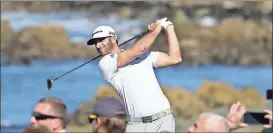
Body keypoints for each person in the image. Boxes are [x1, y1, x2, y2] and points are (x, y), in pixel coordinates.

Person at [87, 17, 181, 132]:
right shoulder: (105, 63)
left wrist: (168, 26)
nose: (98, 45)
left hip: (162, 121)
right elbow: (140, 48)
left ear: (113, 39)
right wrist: (156, 29)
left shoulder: (143, 56)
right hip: (136, 125)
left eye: (101, 40)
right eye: (95, 42)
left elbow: (175, 58)